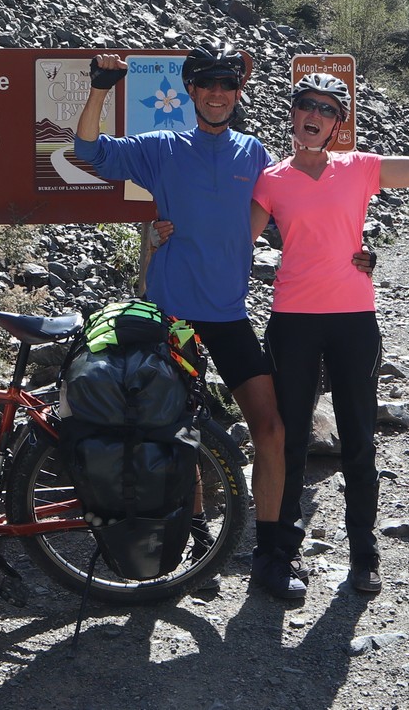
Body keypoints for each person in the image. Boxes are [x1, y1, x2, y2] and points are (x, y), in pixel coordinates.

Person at [72, 46, 307, 598]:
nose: (218, 94)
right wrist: (101, 87)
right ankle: (195, 542)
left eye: (227, 84)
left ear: (237, 92)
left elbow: (299, 208)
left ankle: (272, 554)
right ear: (192, 92)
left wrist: (354, 254)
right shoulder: (161, 148)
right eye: (208, 85)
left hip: (229, 314)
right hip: (173, 316)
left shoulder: (254, 153)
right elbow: (87, 150)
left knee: (271, 430)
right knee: (177, 429)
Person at [250, 71, 409, 597]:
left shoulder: (360, 168)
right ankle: (284, 554)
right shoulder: (270, 179)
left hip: (353, 319)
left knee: (359, 439)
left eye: (327, 110)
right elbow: (233, 241)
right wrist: (170, 229)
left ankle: (364, 556)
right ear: (293, 114)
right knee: (292, 440)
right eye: (307, 106)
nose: (315, 116)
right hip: (293, 320)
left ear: (338, 124)